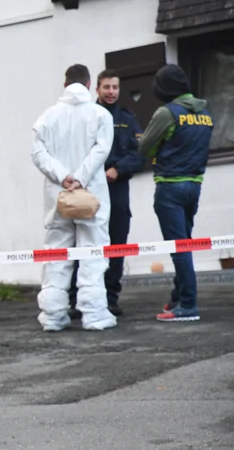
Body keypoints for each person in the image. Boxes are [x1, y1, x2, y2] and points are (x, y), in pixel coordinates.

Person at [31, 64, 117, 332]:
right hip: (91, 195)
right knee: (93, 253)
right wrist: (80, 177)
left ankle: (54, 315)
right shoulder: (100, 114)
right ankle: (94, 315)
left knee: (56, 253)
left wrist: (63, 177)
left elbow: (38, 153)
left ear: (64, 84)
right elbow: (101, 150)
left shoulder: (47, 117)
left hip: (58, 195)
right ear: (91, 85)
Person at [137, 64, 213, 322]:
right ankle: (178, 298)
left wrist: (146, 141)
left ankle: (188, 306)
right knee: (185, 244)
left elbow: (145, 148)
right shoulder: (205, 112)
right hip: (194, 186)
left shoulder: (166, 113)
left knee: (179, 248)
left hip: (170, 187)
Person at [68, 69, 145, 320]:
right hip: (89, 187)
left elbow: (139, 153)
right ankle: (77, 300)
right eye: (106, 87)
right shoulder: (86, 116)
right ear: (96, 89)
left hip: (116, 187)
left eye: (115, 87)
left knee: (116, 242)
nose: (111, 92)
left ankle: (110, 298)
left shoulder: (127, 118)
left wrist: (117, 169)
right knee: (83, 241)